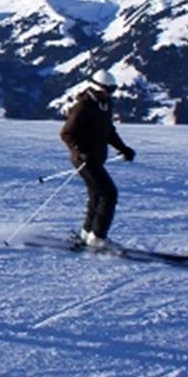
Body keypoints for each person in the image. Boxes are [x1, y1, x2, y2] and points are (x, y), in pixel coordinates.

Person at [59, 69, 136, 249]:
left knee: (97, 195)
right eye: (107, 90)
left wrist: (123, 148)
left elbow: (108, 131)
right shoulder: (83, 107)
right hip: (84, 159)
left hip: (96, 158)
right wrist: (80, 152)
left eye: (112, 90)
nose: (110, 94)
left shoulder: (105, 105)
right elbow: (66, 133)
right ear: (96, 88)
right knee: (109, 194)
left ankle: (88, 234)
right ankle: (98, 237)